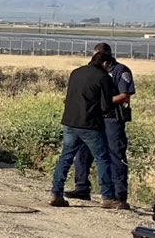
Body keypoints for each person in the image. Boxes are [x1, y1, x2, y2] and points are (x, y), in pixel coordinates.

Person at [50, 45, 125, 208]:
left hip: (70, 121)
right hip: (89, 124)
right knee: (102, 158)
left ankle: (56, 193)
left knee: (66, 157)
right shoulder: (103, 77)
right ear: (105, 63)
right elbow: (106, 105)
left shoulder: (76, 72)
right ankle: (108, 197)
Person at [67, 47, 136, 206]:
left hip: (112, 119)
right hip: (94, 118)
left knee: (115, 155)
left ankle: (119, 195)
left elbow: (125, 95)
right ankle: (82, 188)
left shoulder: (120, 71)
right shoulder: (93, 71)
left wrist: (102, 102)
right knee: (82, 152)